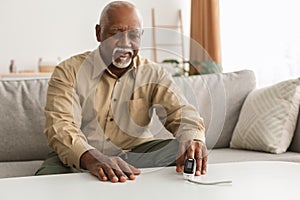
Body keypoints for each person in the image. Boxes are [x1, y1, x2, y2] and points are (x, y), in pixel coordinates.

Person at [35, 1, 208, 183]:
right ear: (98, 33)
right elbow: (61, 126)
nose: (125, 44)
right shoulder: (68, 71)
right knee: (45, 181)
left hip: (137, 156)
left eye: (133, 35)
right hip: (83, 157)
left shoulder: (153, 73)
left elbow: (181, 112)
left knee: (183, 148)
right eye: (115, 33)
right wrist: (92, 158)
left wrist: (193, 139)